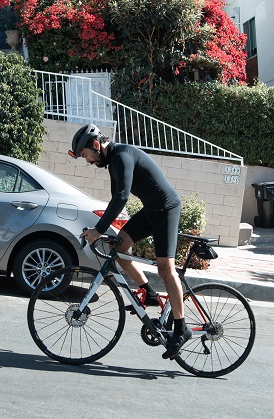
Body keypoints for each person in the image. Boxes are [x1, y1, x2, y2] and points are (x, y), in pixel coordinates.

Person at [69, 123, 191, 359]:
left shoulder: (122, 156)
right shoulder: (113, 162)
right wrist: (104, 228)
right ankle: (150, 293)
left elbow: (123, 196)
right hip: (151, 210)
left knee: (166, 268)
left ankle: (181, 328)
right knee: (119, 246)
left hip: (166, 209)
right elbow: (117, 198)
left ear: (96, 145)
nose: (88, 161)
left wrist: (99, 229)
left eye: (86, 155)